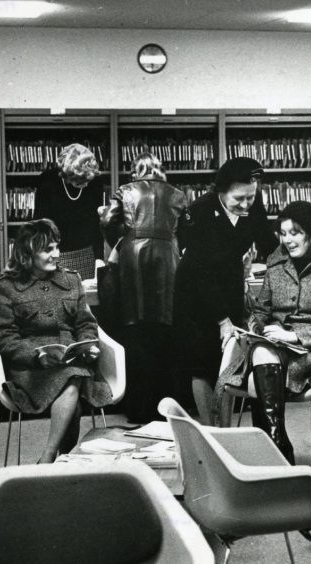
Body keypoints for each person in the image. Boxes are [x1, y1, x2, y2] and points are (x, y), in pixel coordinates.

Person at [215, 201, 311, 463]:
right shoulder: (275, 264)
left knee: (259, 369)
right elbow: (262, 311)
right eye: (283, 233)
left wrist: (294, 336)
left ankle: (273, 452)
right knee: (262, 351)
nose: (287, 240)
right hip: (273, 347)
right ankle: (279, 446)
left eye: (295, 233)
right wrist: (256, 328)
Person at [0, 219, 111, 463]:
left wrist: (88, 345)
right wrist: (34, 355)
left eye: (57, 247)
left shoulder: (72, 280)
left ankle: (51, 459)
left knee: (74, 373)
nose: (56, 255)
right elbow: (3, 335)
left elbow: (86, 324)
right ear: (27, 252)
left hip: (71, 359)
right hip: (31, 369)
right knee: (74, 386)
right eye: (48, 249)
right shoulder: (7, 286)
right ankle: (57, 459)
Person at [173, 157, 278, 424]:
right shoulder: (198, 212)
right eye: (238, 199)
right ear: (221, 192)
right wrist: (222, 320)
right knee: (203, 363)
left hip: (229, 284)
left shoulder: (252, 206)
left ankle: (226, 428)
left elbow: (268, 241)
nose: (245, 205)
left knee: (230, 359)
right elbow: (201, 271)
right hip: (195, 292)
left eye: (250, 198)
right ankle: (212, 432)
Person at [98, 152, 188, 422]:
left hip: (133, 256)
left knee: (135, 328)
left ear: (136, 171)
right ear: (160, 170)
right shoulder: (177, 194)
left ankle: (138, 408)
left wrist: (122, 238)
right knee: (165, 328)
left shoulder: (125, 190)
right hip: (168, 257)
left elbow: (106, 221)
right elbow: (187, 229)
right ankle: (165, 407)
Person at [35, 143, 105, 280]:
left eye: (87, 180)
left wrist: (99, 258)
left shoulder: (94, 183)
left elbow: (97, 225)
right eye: (80, 180)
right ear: (68, 175)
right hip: (54, 255)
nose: (85, 184)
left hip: (86, 256)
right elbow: (40, 226)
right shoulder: (48, 181)